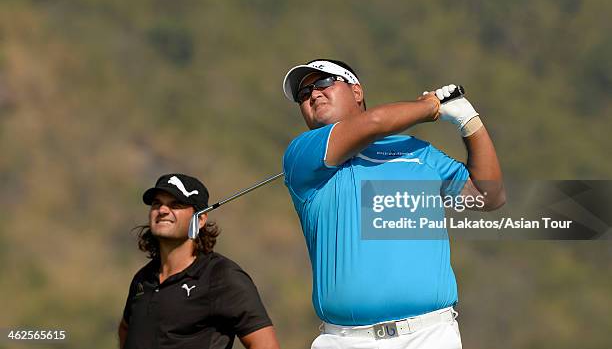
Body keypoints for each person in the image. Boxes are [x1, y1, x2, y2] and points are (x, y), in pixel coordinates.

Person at [281, 59, 505, 349]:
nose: (313, 94)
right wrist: (430, 105)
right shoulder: (301, 154)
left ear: (357, 92)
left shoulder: (417, 152)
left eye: (324, 83)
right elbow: (374, 123)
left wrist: (469, 121)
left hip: (430, 335)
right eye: (304, 93)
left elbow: (489, 196)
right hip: (344, 341)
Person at [119, 173, 280, 349]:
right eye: (157, 203)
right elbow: (126, 329)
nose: (163, 210)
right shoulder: (142, 279)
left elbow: (265, 344)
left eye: (176, 204)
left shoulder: (222, 276)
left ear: (201, 219)